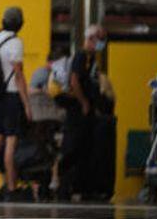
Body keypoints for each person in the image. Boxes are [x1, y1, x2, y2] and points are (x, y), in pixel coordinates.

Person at [0, 7, 32, 202]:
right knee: (11, 140)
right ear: (20, 23)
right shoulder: (16, 42)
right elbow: (18, 75)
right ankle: (11, 188)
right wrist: (26, 103)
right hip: (11, 95)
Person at [58, 24, 107, 200]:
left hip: (87, 112)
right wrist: (84, 102)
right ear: (91, 38)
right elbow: (74, 80)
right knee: (73, 148)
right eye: (100, 39)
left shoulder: (91, 58)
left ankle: (81, 187)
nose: (102, 43)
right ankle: (64, 187)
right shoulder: (81, 56)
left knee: (86, 149)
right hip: (77, 112)